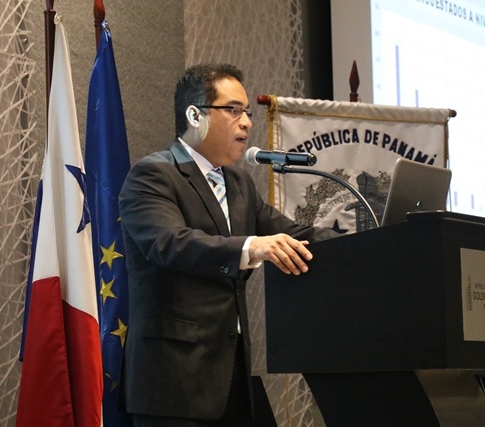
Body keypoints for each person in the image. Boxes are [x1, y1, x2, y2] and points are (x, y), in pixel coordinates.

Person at [118, 63, 338, 426]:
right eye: (233, 110)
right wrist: (252, 247)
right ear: (195, 116)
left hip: (231, 378)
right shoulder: (154, 174)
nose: (247, 122)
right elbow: (169, 243)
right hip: (173, 382)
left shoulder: (238, 184)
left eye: (247, 112)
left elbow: (292, 234)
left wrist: (372, 240)